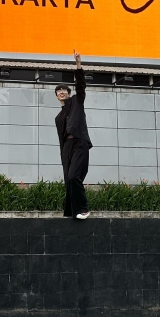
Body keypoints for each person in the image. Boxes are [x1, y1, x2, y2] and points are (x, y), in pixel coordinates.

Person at [55, 50, 92, 220]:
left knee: (74, 176)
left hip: (79, 142)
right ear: (56, 96)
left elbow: (81, 85)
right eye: (58, 91)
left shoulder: (77, 101)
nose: (61, 92)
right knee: (68, 180)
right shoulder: (59, 117)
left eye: (64, 89)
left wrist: (78, 64)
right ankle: (71, 212)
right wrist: (63, 155)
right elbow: (61, 138)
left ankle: (83, 209)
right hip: (67, 148)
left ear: (68, 93)